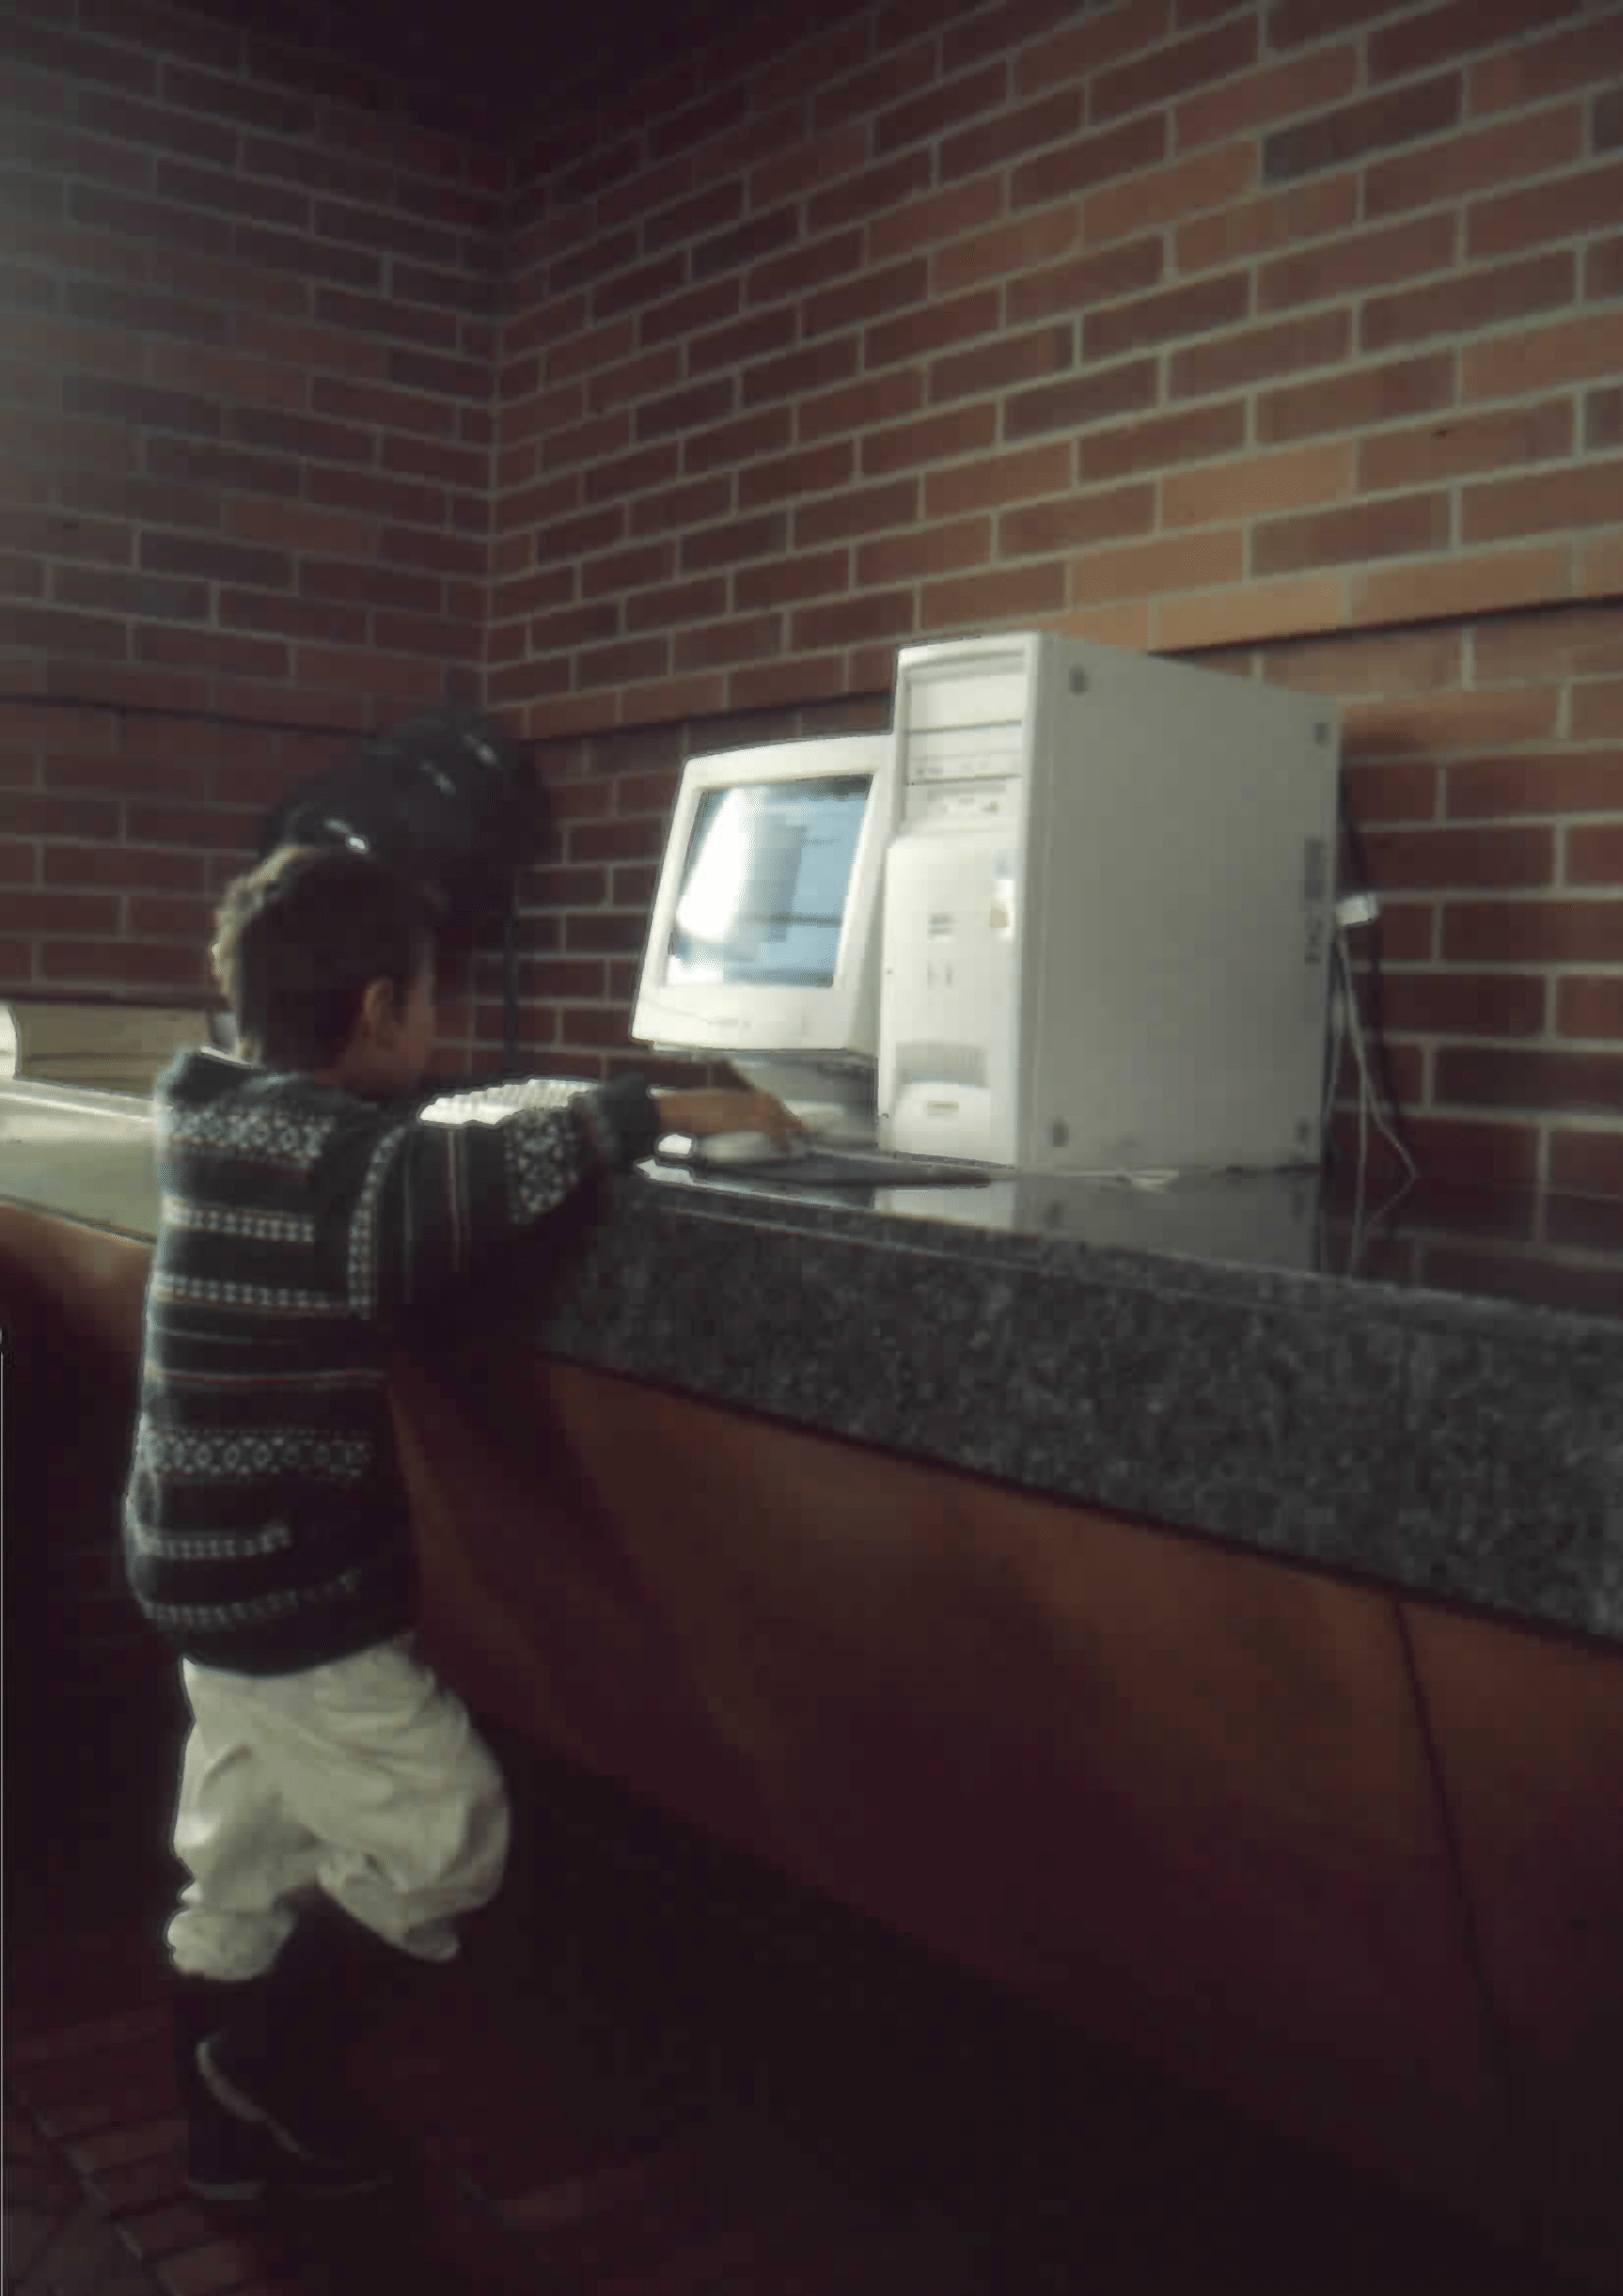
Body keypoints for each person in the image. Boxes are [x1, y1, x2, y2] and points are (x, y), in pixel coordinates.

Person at [124, 840, 803, 2205]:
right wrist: (654, 1102)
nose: (434, 1026)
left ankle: (223, 2141)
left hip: (194, 1565)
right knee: (446, 1833)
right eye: (430, 1001)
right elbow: (475, 1180)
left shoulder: (212, 1123)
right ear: (380, 1010)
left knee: (243, 1847)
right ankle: (269, 2064)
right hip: (287, 1587)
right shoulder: (353, 1172)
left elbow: (412, 1155)